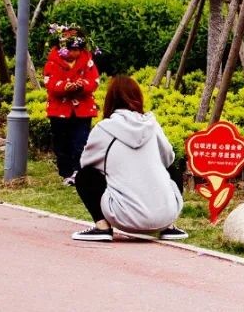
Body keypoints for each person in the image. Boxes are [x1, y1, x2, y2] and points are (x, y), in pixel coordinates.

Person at [70, 75, 187, 242]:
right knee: (171, 169)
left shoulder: (104, 128)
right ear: (138, 97)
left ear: (110, 100)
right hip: (164, 216)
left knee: (85, 175)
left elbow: (86, 163)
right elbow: (168, 158)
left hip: (123, 217)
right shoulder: (152, 125)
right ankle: (170, 227)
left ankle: (102, 227)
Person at [44, 24, 100, 186]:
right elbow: (50, 82)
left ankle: (78, 171)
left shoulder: (87, 61)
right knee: (62, 143)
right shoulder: (53, 62)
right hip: (59, 110)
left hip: (82, 110)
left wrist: (82, 85)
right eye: (71, 49)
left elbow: (94, 81)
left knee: (80, 141)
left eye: (78, 49)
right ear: (62, 47)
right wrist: (64, 87)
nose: (75, 53)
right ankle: (66, 172)